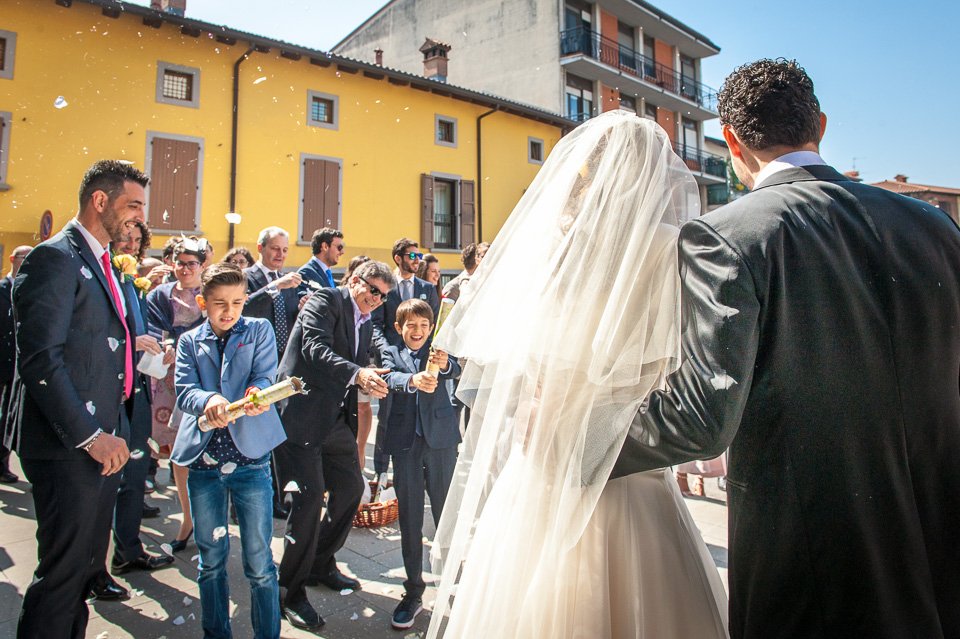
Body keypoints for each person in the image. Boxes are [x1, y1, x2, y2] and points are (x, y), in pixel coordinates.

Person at [610, 58, 960, 639]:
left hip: (815, 574)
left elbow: (701, 419)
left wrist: (582, 444)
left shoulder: (728, 234)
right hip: (941, 553)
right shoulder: (934, 225)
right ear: (819, 125)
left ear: (730, 140)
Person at [426, 112, 727, 638]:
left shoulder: (549, 250)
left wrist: (543, 408)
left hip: (541, 457)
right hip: (631, 464)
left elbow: (527, 359)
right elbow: (682, 370)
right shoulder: (670, 249)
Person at [13, 160, 144, 638]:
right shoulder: (55, 257)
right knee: (61, 577)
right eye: (132, 205)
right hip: (72, 445)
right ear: (100, 201)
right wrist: (91, 436)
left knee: (82, 575)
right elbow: (41, 361)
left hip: (105, 439)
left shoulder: (102, 260)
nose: (139, 218)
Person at [274, 260, 395, 631]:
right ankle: (289, 593)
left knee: (350, 489)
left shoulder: (366, 318)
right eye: (372, 290)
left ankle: (319, 563)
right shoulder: (325, 300)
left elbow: (376, 346)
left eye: (383, 296)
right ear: (355, 280)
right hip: (299, 416)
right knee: (308, 503)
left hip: (335, 421)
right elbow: (314, 349)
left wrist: (386, 365)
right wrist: (359, 373)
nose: (376, 299)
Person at [171, 262, 287, 639]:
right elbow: (185, 390)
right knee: (211, 561)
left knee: (260, 562)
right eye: (220, 303)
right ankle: (215, 633)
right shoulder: (189, 340)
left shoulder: (259, 329)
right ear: (202, 302)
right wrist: (209, 400)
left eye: (237, 302)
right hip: (204, 464)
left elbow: (265, 373)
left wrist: (258, 391)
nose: (229, 311)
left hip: (251, 461)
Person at [378, 299, 461, 629]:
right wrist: (412, 381)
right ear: (400, 328)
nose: (418, 331)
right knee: (410, 519)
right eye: (411, 326)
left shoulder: (440, 350)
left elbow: (456, 366)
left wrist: (442, 367)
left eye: (424, 326)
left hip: (440, 442)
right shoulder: (390, 351)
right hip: (405, 446)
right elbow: (390, 377)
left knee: (446, 514)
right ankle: (413, 591)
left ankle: (451, 580)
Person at [146, 238, 208, 552]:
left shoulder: (210, 293)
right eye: (179, 262)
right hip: (168, 380)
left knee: (208, 449)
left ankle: (207, 517)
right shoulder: (159, 293)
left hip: (205, 379)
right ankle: (187, 518)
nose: (184, 269)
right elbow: (151, 328)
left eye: (191, 263)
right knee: (178, 452)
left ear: (202, 265)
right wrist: (163, 345)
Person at [243, 226, 301, 519]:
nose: (280, 255)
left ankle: (278, 495)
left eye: (284, 250)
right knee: (259, 429)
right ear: (261, 248)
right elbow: (245, 308)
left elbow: (288, 321)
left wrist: (300, 306)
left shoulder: (284, 280)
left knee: (279, 430)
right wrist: (275, 288)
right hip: (256, 365)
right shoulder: (248, 277)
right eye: (275, 249)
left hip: (282, 364)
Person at [341, 255, 375, 471]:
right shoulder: (340, 300)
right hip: (342, 366)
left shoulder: (372, 300)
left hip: (362, 363)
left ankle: (360, 450)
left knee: (363, 407)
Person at [0, 245, 31, 484]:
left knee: (9, 417)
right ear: (12, 259)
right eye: (24, 257)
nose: (29, 261)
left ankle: (3, 462)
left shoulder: (33, 289)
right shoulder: (2, 288)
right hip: (2, 360)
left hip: (17, 367)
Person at [297, 227, 344, 297]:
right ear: (325, 246)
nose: (342, 252)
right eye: (339, 247)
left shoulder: (326, 272)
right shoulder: (306, 273)